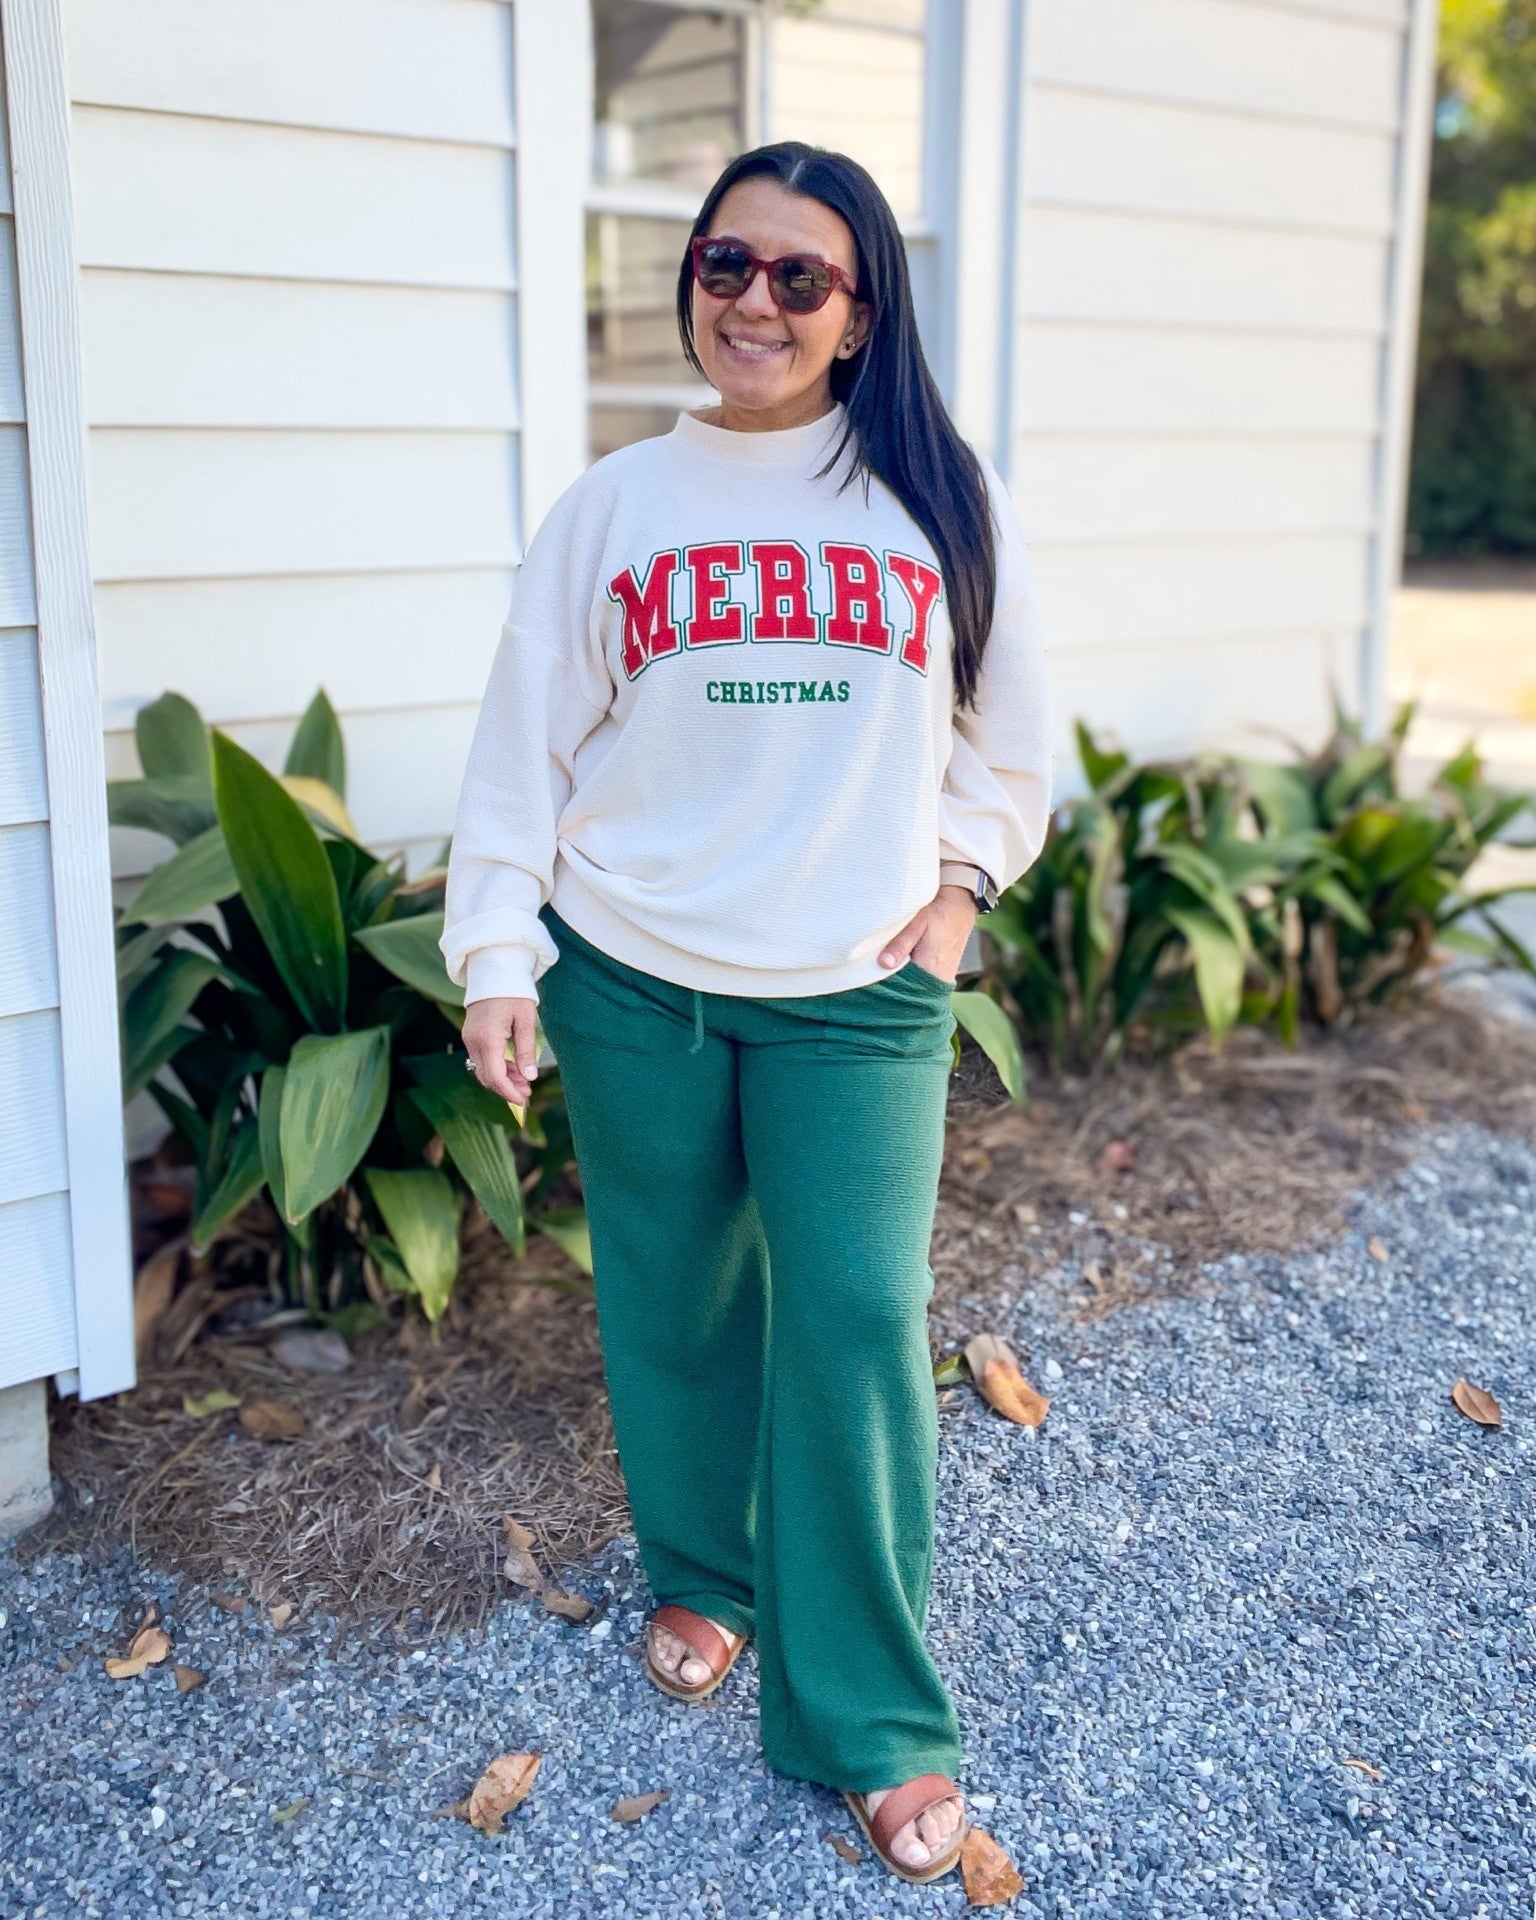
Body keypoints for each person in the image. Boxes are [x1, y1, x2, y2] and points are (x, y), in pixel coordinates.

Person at [443, 140, 1051, 1885]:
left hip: (857, 994)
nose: (757, 302)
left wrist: (957, 901)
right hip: (633, 971)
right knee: (676, 1294)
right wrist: (499, 957)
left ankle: (872, 1717)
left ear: (860, 314)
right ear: (690, 281)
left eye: (802, 276)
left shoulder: (941, 502)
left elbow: (1011, 743)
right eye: (729, 264)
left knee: (856, 1317)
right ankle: (706, 1571)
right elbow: (521, 753)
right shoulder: (614, 507)